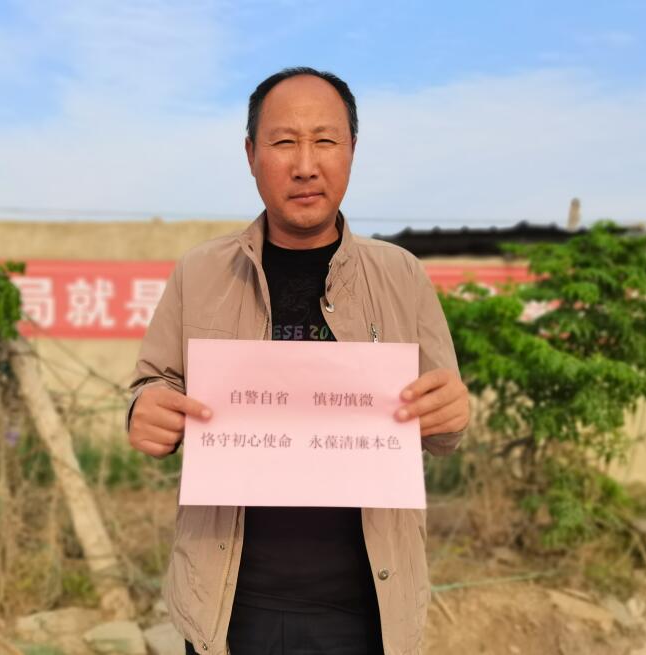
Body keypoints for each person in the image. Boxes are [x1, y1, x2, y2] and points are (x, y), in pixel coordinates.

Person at [128, 67, 469, 655]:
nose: (305, 165)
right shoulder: (201, 273)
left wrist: (452, 414)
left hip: (367, 615)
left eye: (325, 141)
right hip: (227, 610)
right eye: (284, 142)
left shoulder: (401, 276)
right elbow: (153, 383)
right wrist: (144, 408)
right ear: (251, 154)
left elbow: (443, 427)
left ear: (352, 150)